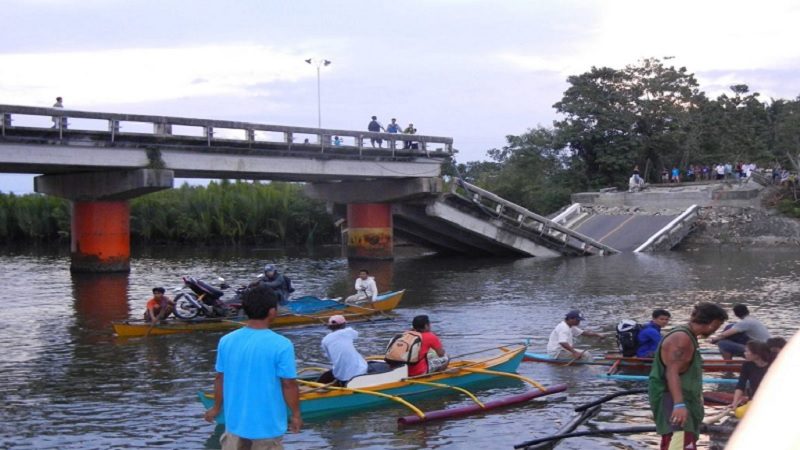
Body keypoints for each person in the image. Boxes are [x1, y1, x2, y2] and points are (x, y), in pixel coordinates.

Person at [203, 285, 301, 450]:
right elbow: (288, 384)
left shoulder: (226, 341)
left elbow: (220, 378)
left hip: (235, 424)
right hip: (267, 427)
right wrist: (296, 415)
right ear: (272, 311)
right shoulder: (282, 345)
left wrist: (216, 407)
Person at [648, 302, 728, 450]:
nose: (718, 328)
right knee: (679, 440)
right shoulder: (682, 339)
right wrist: (679, 404)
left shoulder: (689, 336)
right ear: (713, 323)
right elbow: (671, 372)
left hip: (683, 397)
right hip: (672, 398)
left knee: (681, 440)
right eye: (719, 324)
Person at [318, 315, 368, 385]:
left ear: (329, 327)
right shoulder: (349, 332)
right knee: (362, 362)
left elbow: (331, 358)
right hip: (359, 372)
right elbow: (356, 335)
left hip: (340, 375)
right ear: (344, 324)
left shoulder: (324, 340)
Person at [730, 340, 772, 409]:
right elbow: (741, 385)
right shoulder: (747, 365)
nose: (744, 353)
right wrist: (734, 402)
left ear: (757, 354)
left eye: (747, 351)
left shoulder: (773, 365)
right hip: (754, 401)